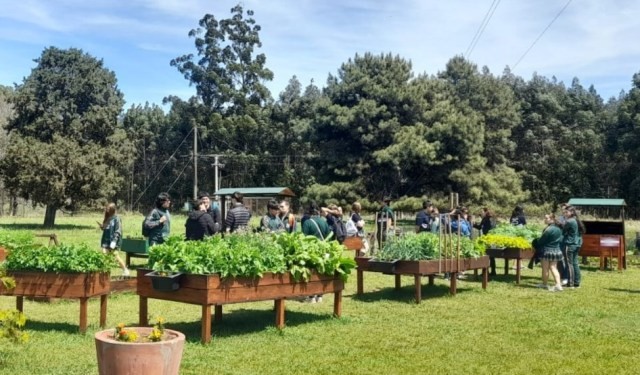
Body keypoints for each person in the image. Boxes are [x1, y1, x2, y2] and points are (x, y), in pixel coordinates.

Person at [301, 201, 330, 303]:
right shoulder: (323, 221)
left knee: (311, 271)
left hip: (311, 251)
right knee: (321, 271)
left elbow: (304, 238)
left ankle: (311, 296)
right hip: (323, 249)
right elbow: (328, 235)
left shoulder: (307, 222)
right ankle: (320, 295)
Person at [536, 213, 564, 292]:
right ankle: (558, 285)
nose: (545, 219)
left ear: (552, 219)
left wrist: (536, 241)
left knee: (545, 269)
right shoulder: (559, 229)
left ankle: (544, 284)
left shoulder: (548, 229)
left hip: (546, 251)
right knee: (554, 268)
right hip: (556, 250)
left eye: (546, 218)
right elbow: (561, 239)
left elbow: (541, 241)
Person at [99, 203, 129, 276]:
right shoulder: (107, 218)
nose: (107, 209)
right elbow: (106, 228)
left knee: (115, 256)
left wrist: (114, 241)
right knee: (104, 255)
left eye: (109, 208)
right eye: (107, 208)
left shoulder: (117, 219)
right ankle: (106, 272)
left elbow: (118, 230)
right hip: (105, 240)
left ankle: (125, 270)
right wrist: (102, 227)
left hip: (113, 241)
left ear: (113, 209)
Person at [562, 206, 584, 288]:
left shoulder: (569, 221)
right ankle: (577, 282)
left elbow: (563, 231)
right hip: (577, 244)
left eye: (566, 212)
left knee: (569, 264)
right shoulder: (576, 220)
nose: (565, 214)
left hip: (570, 244)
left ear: (571, 212)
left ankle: (570, 283)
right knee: (575, 263)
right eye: (564, 212)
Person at [474, 207, 497, 275]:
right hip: (493, 238)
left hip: (486, 238)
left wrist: (473, 224)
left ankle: (485, 271)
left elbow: (479, 227)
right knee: (492, 256)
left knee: (486, 255)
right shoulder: (494, 219)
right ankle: (493, 271)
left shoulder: (485, 219)